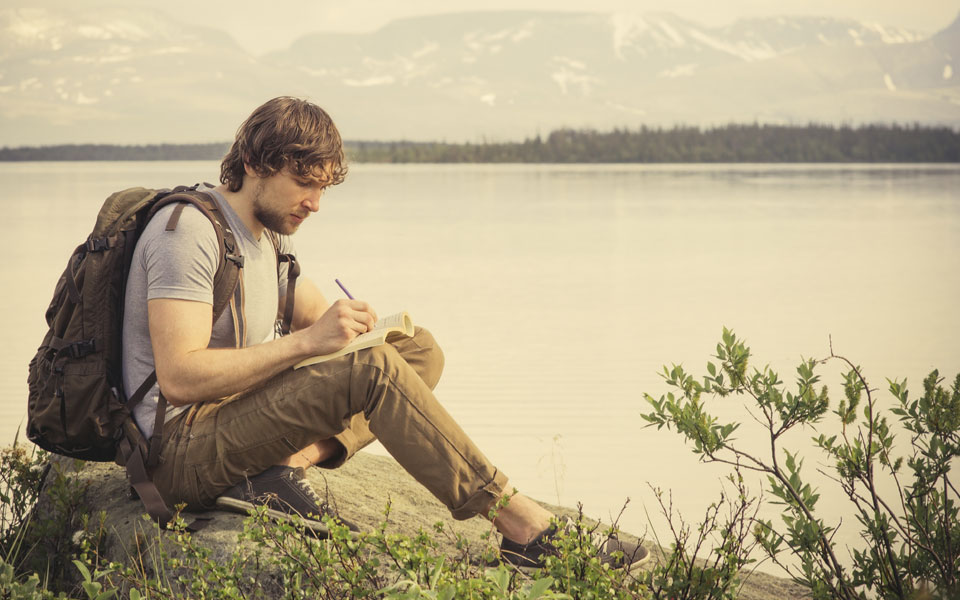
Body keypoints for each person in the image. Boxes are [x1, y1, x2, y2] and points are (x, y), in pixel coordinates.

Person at [121, 96, 647, 569]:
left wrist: (355, 328)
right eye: (304, 183)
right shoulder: (188, 233)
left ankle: (281, 468)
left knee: (415, 350)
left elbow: (323, 320)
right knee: (373, 370)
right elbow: (181, 377)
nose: (315, 203)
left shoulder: (268, 238)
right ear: (256, 164)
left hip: (232, 426)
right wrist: (312, 343)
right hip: (176, 455)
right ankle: (522, 526)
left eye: (323, 187)